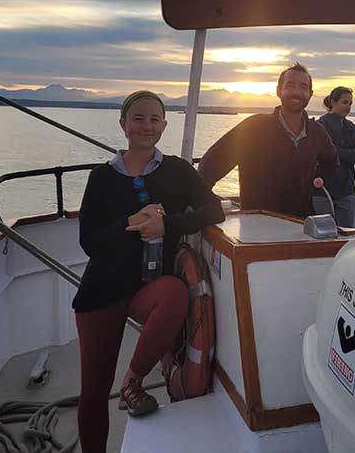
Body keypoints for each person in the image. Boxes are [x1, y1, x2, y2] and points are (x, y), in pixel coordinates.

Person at [72, 90, 224, 453]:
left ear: (164, 126)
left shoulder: (177, 170)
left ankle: (133, 381)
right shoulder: (102, 178)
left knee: (173, 292)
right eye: (138, 118)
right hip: (102, 291)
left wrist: (166, 225)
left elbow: (214, 210)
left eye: (154, 119)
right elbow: (89, 241)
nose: (146, 126)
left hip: (147, 288)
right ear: (123, 124)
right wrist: (130, 224)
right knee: (94, 388)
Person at [198, 63, 340, 218]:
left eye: (303, 87)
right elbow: (212, 163)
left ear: (310, 94)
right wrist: (204, 202)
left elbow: (332, 163)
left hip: (300, 224)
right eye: (290, 85)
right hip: (257, 225)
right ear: (279, 91)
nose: (297, 92)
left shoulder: (316, 132)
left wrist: (314, 181)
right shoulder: (254, 127)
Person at [313, 86, 355, 226]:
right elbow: (319, 155)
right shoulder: (319, 126)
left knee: (345, 235)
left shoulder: (352, 128)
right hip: (322, 191)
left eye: (350, 104)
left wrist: (334, 150)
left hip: (346, 191)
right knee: (323, 236)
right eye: (344, 102)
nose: (348, 107)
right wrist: (344, 153)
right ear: (333, 102)